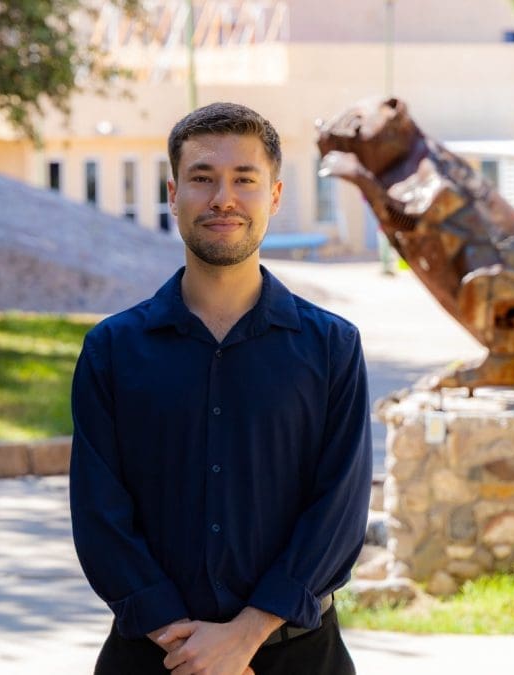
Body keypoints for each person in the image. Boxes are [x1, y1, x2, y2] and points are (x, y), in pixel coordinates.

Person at [70, 101, 372, 675]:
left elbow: (339, 510)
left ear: (275, 196)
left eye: (244, 180)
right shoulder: (112, 350)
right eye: (202, 178)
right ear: (172, 193)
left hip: (300, 656)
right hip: (149, 659)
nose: (222, 198)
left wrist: (245, 635)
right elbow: (98, 515)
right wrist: (183, 642)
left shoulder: (332, 347)